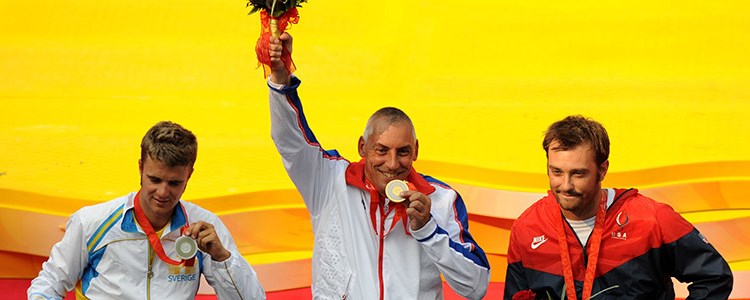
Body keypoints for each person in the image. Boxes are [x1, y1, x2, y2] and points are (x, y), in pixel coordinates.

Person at [266, 33, 490, 299]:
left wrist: (428, 230)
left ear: (416, 150)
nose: (393, 164)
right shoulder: (329, 181)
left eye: (403, 152)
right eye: (381, 150)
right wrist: (280, 77)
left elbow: (476, 287)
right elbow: (290, 140)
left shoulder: (439, 200)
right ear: (362, 147)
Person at [28, 121, 266, 300]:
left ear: (189, 175)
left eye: (174, 183)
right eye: (154, 179)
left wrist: (222, 258)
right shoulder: (91, 221)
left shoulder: (203, 227)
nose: (163, 193)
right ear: (141, 168)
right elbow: (50, 281)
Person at [504, 115, 733, 299]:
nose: (566, 185)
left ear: (602, 170)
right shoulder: (528, 227)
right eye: (556, 172)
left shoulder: (652, 220)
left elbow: (714, 277)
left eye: (579, 173)